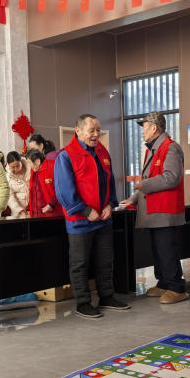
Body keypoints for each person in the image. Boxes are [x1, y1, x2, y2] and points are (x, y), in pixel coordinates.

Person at [54, 114, 130, 319]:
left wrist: (110, 204)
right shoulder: (66, 155)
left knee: (105, 260)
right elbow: (64, 192)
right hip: (80, 220)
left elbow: (110, 183)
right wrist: (87, 211)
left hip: (103, 219)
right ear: (78, 131)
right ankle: (83, 303)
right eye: (92, 130)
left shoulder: (102, 152)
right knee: (80, 264)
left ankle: (107, 296)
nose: (96, 134)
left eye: (98, 130)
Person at [119, 112, 188, 304]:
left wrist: (145, 185)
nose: (142, 132)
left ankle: (177, 287)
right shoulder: (153, 149)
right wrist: (133, 199)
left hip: (165, 209)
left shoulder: (171, 147)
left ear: (154, 128)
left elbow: (171, 177)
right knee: (158, 250)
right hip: (155, 210)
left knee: (166, 249)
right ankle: (164, 283)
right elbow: (147, 182)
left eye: (144, 127)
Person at [27, 148, 63, 218]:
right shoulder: (33, 171)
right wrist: (29, 208)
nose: (29, 165)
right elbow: (33, 191)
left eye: (29, 162)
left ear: (38, 161)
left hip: (53, 213)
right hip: (36, 214)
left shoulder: (53, 166)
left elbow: (61, 189)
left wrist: (51, 204)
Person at [5, 151, 31, 218]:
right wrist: (20, 211)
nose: (16, 169)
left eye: (18, 166)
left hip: (32, 209)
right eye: (13, 167)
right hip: (17, 213)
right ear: (8, 164)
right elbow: (10, 198)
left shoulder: (30, 168)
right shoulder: (7, 177)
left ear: (21, 161)